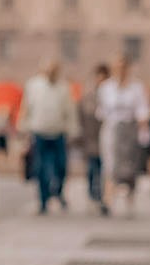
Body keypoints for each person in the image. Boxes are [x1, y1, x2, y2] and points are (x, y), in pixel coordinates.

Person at [21, 58, 79, 214]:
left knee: (61, 166)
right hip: (39, 132)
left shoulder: (64, 88)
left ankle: (58, 192)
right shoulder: (33, 86)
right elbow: (26, 107)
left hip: (58, 133)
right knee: (40, 167)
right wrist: (24, 127)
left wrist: (73, 130)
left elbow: (70, 111)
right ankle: (43, 199)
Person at [97, 56, 150, 215]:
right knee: (110, 164)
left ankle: (130, 199)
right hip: (112, 128)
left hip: (130, 128)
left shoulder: (136, 87)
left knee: (129, 165)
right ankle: (108, 199)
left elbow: (142, 110)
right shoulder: (106, 87)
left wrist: (143, 131)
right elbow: (101, 111)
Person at [78, 63, 109, 214]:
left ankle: (102, 197)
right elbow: (82, 116)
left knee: (104, 170)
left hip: (106, 138)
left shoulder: (109, 96)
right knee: (92, 169)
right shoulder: (88, 97)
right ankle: (93, 196)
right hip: (90, 139)